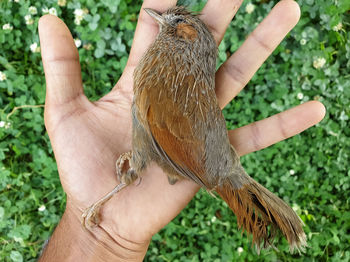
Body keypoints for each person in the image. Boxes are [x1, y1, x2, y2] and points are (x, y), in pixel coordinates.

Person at [38, 0, 325, 261]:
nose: (161, 22)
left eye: (173, 24)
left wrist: (92, 230)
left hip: (194, 159)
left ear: (184, 36)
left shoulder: (159, 78)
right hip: (200, 157)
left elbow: (173, 143)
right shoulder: (167, 72)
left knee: (137, 167)